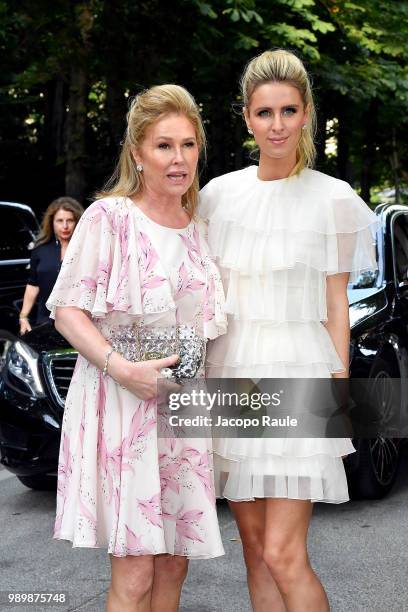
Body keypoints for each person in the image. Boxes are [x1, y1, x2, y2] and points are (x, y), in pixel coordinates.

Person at [200, 50, 378, 612]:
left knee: (283, 552)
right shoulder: (217, 196)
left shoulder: (334, 199)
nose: (277, 125)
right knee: (253, 549)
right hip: (232, 376)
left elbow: (335, 304)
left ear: (306, 114)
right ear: (247, 118)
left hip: (299, 373)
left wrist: (340, 389)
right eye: (264, 112)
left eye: (289, 110)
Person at [46, 84, 226, 612]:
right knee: (135, 569)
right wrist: (123, 369)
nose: (179, 159)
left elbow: (200, 323)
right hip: (123, 403)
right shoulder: (110, 218)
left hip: (183, 405)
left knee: (174, 562)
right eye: (164, 145)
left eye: (189, 145)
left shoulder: (198, 229)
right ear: (137, 154)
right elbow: (66, 310)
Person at [19, 196, 84, 334]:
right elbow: (33, 284)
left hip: (82, 323)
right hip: (45, 321)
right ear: (52, 223)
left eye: (70, 220)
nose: (65, 226)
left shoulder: (87, 249)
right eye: (60, 221)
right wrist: (23, 317)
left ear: (78, 222)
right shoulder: (40, 250)